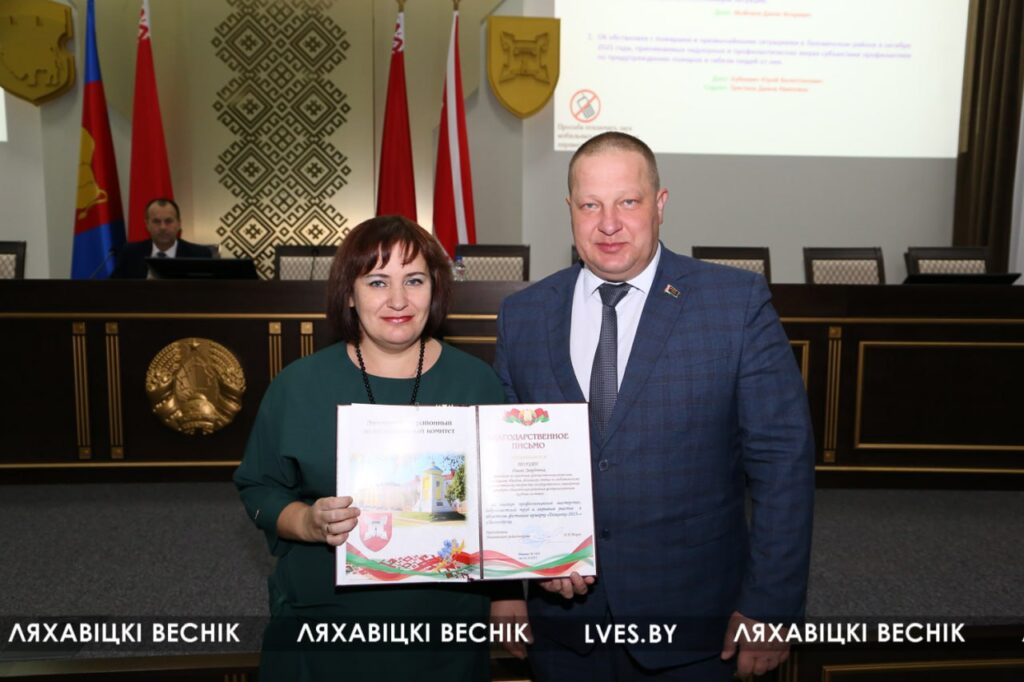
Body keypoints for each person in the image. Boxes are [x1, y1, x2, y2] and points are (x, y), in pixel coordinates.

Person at [491, 132, 814, 681]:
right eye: (590, 205)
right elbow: (508, 465)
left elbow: (783, 464)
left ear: (660, 204)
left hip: (693, 624)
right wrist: (508, 586)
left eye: (628, 201)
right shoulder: (523, 315)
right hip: (563, 627)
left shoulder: (735, 304)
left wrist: (771, 607)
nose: (608, 223)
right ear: (570, 209)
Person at [234, 215, 507, 681]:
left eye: (414, 280)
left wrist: (508, 593)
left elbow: (502, 504)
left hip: (444, 622)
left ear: (435, 290)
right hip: (326, 618)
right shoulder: (298, 385)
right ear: (349, 294)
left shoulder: (477, 382)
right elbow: (259, 487)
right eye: (378, 281)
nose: (398, 300)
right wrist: (307, 522)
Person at [110, 198, 211, 278]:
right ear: (147, 225)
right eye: (156, 221)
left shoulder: (199, 255)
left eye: (168, 221)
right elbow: (113, 289)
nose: (163, 227)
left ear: (179, 224)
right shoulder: (131, 253)